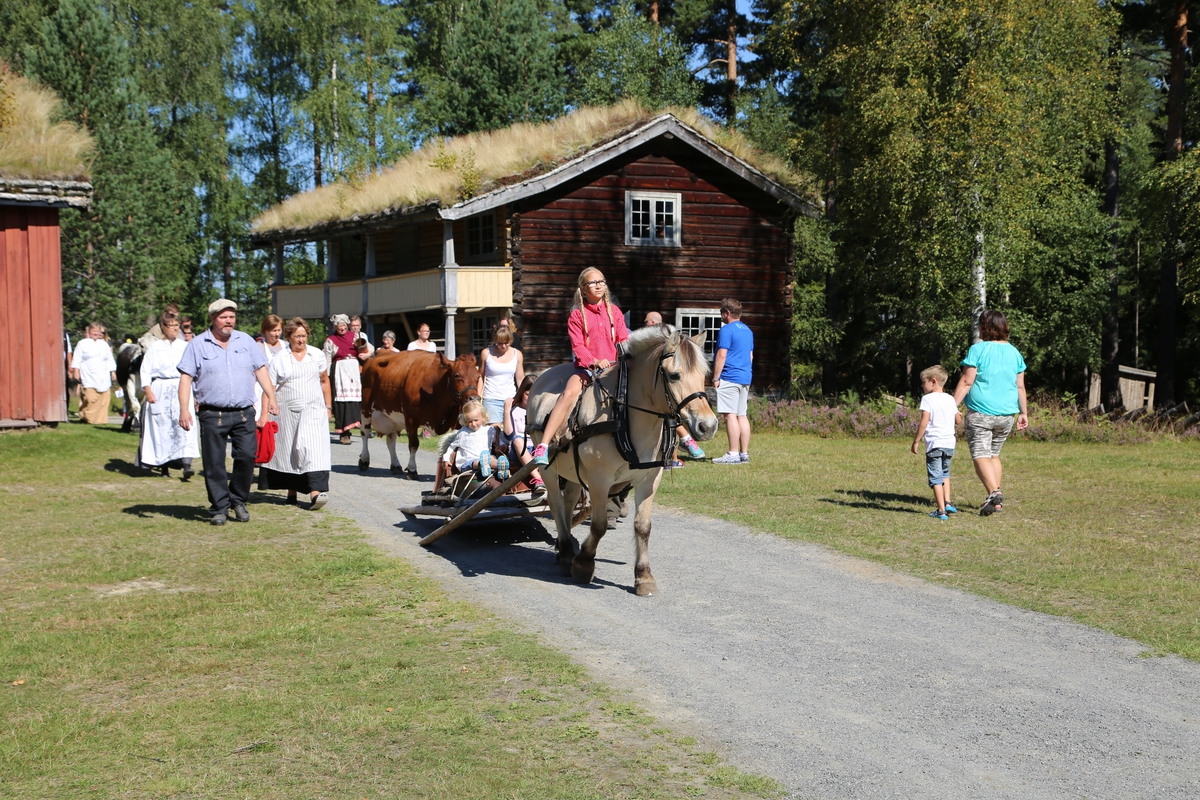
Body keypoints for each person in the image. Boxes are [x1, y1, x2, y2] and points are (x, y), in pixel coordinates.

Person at [177, 299, 279, 526]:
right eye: (224, 317)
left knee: (247, 456)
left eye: (231, 316)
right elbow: (185, 379)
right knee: (214, 462)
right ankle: (219, 508)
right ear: (213, 319)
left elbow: (261, 370)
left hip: (244, 412)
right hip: (212, 413)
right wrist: (184, 409)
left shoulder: (246, 341)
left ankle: (239, 500)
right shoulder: (197, 344)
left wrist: (271, 397)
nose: (229, 321)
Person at [531, 268, 630, 465]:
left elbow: (623, 339)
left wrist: (625, 356)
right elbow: (577, 346)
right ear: (583, 289)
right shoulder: (577, 315)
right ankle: (543, 445)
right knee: (568, 393)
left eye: (601, 281)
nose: (599, 285)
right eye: (593, 282)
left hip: (614, 367)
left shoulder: (615, 311)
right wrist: (593, 361)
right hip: (588, 369)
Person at [953, 309, 1029, 516]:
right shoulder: (1015, 352)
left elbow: (967, 381)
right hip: (1007, 415)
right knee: (994, 455)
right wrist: (1024, 413)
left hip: (980, 413)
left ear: (984, 327)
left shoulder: (978, 350)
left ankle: (994, 492)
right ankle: (996, 501)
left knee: (980, 455)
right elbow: (1020, 387)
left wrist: (951, 406)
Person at [258, 317, 333, 509]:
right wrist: (264, 414)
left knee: (314, 450)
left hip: (313, 411)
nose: (301, 340)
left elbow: (324, 381)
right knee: (291, 450)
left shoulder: (316, 355)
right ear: (289, 337)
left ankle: (316, 493)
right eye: (297, 336)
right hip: (287, 413)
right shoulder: (280, 358)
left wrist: (328, 406)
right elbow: (270, 387)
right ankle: (291, 491)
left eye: (304, 336)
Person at [137, 313, 199, 479]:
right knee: (163, 427)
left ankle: (186, 464)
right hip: (161, 387)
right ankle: (164, 465)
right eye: (171, 326)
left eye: (176, 326)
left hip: (181, 386)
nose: (175, 329)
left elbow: (193, 370)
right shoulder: (155, 347)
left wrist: (195, 394)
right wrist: (148, 390)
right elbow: (145, 370)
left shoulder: (184, 346)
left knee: (185, 424)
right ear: (163, 328)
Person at [643, 311, 707, 465]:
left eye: (646, 321)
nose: (645, 324)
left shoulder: (657, 343)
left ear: (652, 323)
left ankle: (680, 449)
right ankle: (683, 447)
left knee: (671, 414)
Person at [911, 365, 962, 520]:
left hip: (934, 444)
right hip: (949, 444)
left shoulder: (927, 399)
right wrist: (958, 413)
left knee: (935, 478)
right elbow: (958, 420)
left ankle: (941, 511)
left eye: (923, 382)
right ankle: (947, 503)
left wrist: (916, 441)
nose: (921, 385)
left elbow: (924, 422)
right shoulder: (950, 398)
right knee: (945, 473)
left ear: (933, 381)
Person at [711, 298, 754, 465]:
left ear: (727, 313)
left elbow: (722, 354)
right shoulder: (748, 330)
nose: (721, 316)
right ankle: (744, 453)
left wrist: (716, 377)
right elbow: (750, 356)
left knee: (730, 416)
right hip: (745, 376)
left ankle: (733, 453)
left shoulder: (726, 330)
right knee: (742, 415)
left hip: (729, 376)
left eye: (722, 313)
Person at [503, 375, 545, 497]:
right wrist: (506, 411)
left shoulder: (539, 410)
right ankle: (539, 480)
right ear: (521, 393)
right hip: (518, 451)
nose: (531, 398)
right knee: (517, 440)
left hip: (536, 449)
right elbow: (509, 435)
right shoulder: (514, 410)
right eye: (528, 394)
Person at [323, 314, 362, 445]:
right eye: (340, 326)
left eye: (344, 325)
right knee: (341, 400)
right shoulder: (330, 340)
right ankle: (344, 433)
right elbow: (327, 358)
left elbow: (365, 349)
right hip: (339, 371)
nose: (342, 328)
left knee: (354, 398)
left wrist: (366, 353)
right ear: (335, 327)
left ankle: (357, 423)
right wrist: (326, 376)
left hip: (354, 370)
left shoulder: (355, 337)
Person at [73, 322, 117, 424]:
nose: (96, 333)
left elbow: (109, 359)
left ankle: (99, 420)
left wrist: (113, 372)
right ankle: (86, 416)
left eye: (98, 331)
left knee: (103, 398)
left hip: (102, 373)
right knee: (89, 397)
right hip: (88, 373)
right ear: (89, 332)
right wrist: (76, 371)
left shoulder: (104, 344)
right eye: (94, 331)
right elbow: (77, 358)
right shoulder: (82, 343)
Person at [479, 327, 524, 427]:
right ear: (495, 340)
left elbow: (520, 379)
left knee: (512, 431)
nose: (503, 346)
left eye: (506, 343)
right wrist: (478, 398)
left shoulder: (517, 354)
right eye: (500, 343)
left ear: (511, 341)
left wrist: (523, 397)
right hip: (491, 398)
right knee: (495, 432)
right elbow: (480, 377)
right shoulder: (486, 353)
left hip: (511, 399)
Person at [443, 399, 501, 477]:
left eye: (476, 420)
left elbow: (497, 442)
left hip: (486, 459)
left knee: (491, 458)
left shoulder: (489, 431)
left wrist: (502, 446)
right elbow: (452, 447)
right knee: (477, 461)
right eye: (469, 421)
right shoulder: (463, 433)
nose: (473, 424)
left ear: (483, 417)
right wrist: (446, 458)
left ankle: (501, 467)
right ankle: (482, 466)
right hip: (468, 463)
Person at [253, 314, 286, 420]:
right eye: (273, 331)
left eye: (279, 330)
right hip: (262, 390)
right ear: (265, 331)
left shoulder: (286, 346)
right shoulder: (258, 347)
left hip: (282, 389)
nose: (277, 334)